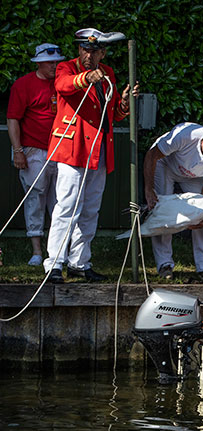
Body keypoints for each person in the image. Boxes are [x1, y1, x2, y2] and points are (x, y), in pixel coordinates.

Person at [43, 28, 138, 283]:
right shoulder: (66, 68)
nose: (88, 54)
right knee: (66, 209)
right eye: (85, 49)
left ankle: (79, 262)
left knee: (90, 211)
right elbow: (62, 86)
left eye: (94, 50)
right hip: (73, 150)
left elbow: (114, 113)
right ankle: (54, 264)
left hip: (98, 150)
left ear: (102, 53)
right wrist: (86, 78)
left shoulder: (108, 73)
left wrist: (125, 103)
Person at [143, 123, 203, 283]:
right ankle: (165, 265)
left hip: (192, 176)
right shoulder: (185, 135)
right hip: (165, 165)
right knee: (162, 211)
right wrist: (149, 189)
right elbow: (152, 155)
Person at [7, 43, 65, 266]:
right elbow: (13, 119)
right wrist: (18, 151)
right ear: (39, 63)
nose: (55, 65)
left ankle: (57, 251)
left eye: (57, 61)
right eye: (50, 62)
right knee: (35, 199)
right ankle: (37, 251)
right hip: (33, 150)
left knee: (60, 201)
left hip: (60, 150)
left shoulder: (61, 84)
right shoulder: (23, 85)